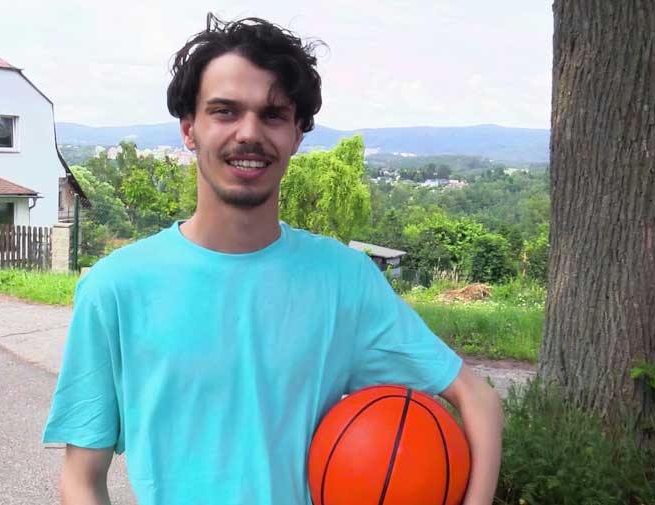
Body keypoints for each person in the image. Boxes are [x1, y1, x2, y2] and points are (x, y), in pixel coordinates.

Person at [43, 13, 503, 505]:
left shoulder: (343, 280)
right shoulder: (116, 287)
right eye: (224, 111)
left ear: (297, 135)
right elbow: (82, 479)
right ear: (188, 129)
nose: (249, 132)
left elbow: (476, 397)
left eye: (273, 114)